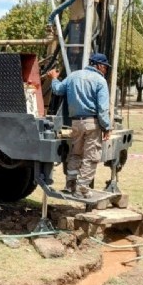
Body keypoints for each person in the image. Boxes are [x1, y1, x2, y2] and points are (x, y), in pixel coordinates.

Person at [47, 53, 111, 196]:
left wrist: (54, 79)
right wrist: (106, 127)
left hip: (75, 123)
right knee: (91, 156)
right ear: (99, 65)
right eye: (105, 67)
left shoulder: (73, 76)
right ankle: (82, 188)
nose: (106, 70)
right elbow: (102, 109)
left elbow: (57, 90)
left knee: (75, 154)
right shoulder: (100, 81)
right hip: (92, 123)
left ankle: (70, 185)